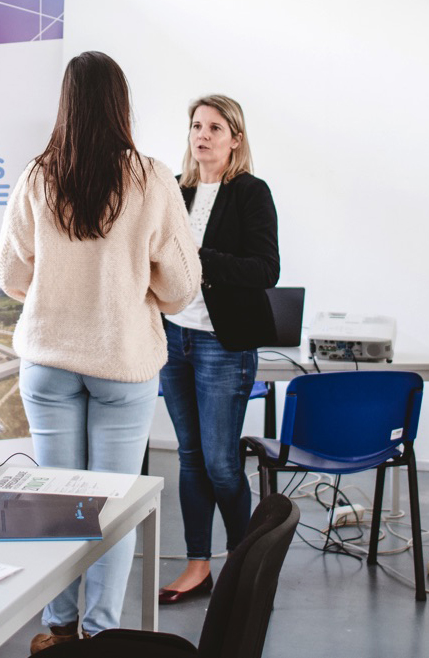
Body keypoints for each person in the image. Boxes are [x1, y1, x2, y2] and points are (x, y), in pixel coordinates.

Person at [0, 52, 201, 648]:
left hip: (48, 360)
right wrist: (139, 290)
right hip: (121, 362)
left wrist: (56, 290)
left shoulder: (37, 176)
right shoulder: (151, 178)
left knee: (60, 502)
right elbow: (182, 285)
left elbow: (11, 274)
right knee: (114, 505)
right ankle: (101, 635)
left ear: (66, 104)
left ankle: (57, 629)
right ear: (120, 104)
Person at [157, 95, 280, 605]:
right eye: (196, 126)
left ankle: (244, 566)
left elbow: (265, 270)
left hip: (222, 346)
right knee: (189, 458)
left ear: (235, 139)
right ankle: (198, 566)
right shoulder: (174, 190)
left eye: (214, 127)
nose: (202, 135)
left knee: (222, 465)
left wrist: (199, 257)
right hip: (173, 339)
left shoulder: (250, 192)